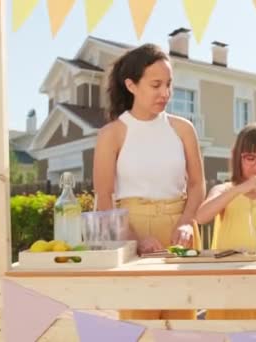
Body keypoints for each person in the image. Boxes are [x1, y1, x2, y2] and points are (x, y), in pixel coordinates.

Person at [93, 43, 205, 320]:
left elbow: (196, 185)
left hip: (181, 232)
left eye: (169, 84)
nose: (165, 93)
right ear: (131, 85)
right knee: (139, 323)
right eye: (156, 85)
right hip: (132, 231)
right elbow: (104, 198)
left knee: (182, 325)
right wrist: (136, 240)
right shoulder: (112, 134)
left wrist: (187, 223)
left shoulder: (183, 129)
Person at [195, 122, 256, 320]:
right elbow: (202, 216)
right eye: (250, 158)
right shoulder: (225, 190)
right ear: (237, 156)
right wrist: (241, 188)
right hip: (230, 283)